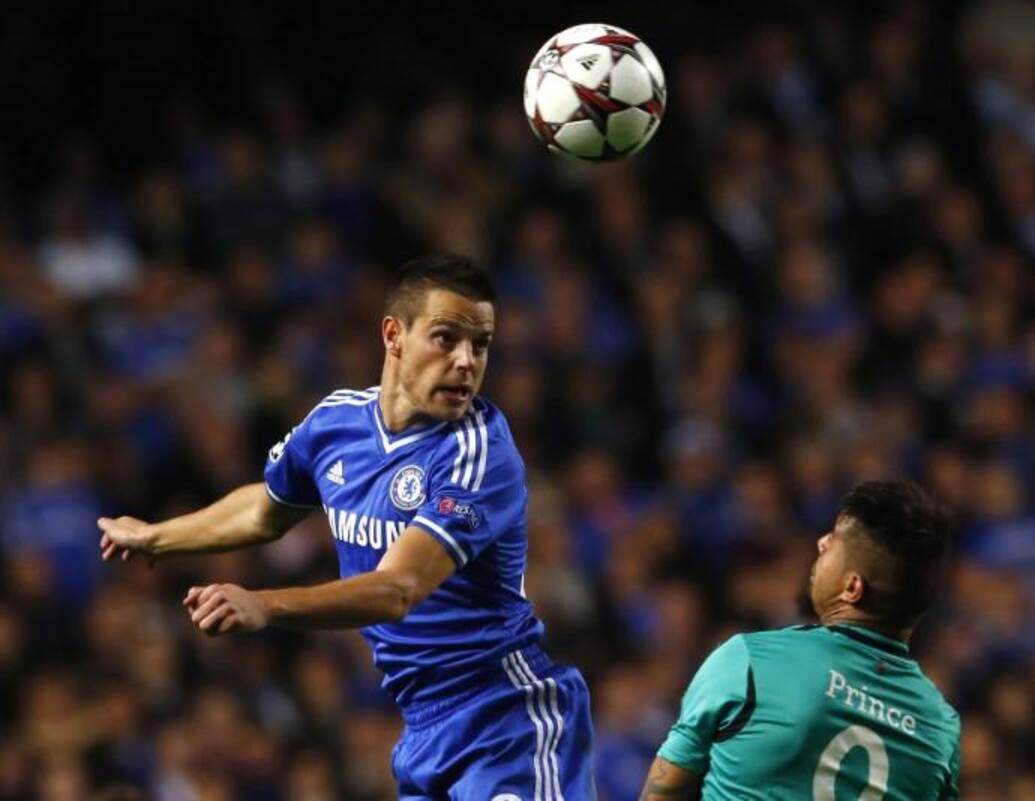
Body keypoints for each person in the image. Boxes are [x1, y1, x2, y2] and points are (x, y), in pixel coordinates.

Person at [98, 254, 596, 800]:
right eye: (446, 338)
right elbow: (266, 509)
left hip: (506, 721)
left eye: (480, 345)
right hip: (422, 730)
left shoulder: (479, 453)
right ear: (394, 335)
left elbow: (397, 588)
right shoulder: (336, 424)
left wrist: (265, 605)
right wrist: (157, 537)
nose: (465, 361)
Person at [640, 479, 959, 800]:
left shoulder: (750, 661)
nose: (821, 543)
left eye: (835, 541)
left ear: (852, 588)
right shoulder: (940, 728)